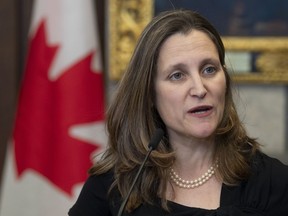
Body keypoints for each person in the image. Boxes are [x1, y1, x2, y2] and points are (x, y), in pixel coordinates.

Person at [68, 9, 288, 215]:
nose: (200, 89)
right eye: (177, 75)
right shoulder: (113, 186)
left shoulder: (272, 182)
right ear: (150, 95)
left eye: (209, 69)